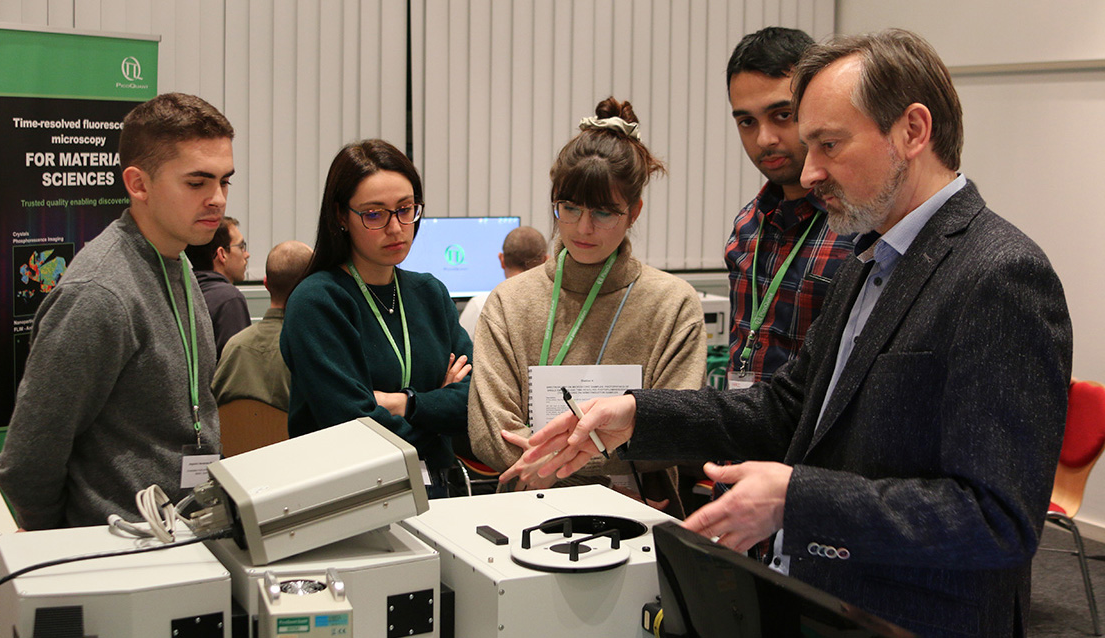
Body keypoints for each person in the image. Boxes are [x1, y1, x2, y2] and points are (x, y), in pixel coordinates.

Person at [520, 30, 1072, 636]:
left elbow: (998, 520)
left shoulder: (1000, 274)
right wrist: (636, 415)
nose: (808, 172)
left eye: (829, 145)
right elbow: (787, 407)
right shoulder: (871, 259)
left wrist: (797, 499)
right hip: (824, 598)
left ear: (913, 132)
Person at [0, 93, 234, 529]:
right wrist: (63, 545)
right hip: (117, 548)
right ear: (138, 184)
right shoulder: (99, 293)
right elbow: (28, 460)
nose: (217, 199)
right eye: (197, 183)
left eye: (225, 181)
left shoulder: (177, 261)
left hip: (185, 536)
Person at [469, 98, 708, 517]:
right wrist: (596, 462)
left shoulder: (672, 304)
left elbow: (675, 427)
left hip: (638, 512)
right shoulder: (510, 302)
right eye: (570, 208)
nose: (583, 228)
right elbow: (491, 427)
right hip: (530, 511)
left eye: (603, 212)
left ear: (633, 211)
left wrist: (556, 464)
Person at [281, 139, 472, 497]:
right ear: (341, 216)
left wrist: (404, 403)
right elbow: (354, 429)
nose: (396, 227)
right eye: (374, 214)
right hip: (354, 499)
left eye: (405, 209)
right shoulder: (319, 301)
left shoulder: (430, 293)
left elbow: (474, 402)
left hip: (442, 494)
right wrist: (436, 408)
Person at [724, 26, 854, 389]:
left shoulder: (858, 226)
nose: (764, 139)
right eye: (747, 122)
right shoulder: (748, 225)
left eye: (782, 115)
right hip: (746, 437)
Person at [212, 240, 314, 411]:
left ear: (266, 284)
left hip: (235, 438)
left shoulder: (234, 346)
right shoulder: (312, 351)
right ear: (311, 287)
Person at [458, 226, 548, 339]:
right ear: (545, 260)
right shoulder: (554, 306)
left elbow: (461, 351)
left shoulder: (480, 305)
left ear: (502, 260)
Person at [184, 216, 251, 357]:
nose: (247, 254)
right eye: (241, 246)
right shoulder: (229, 299)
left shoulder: (185, 292)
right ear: (222, 254)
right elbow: (237, 366)